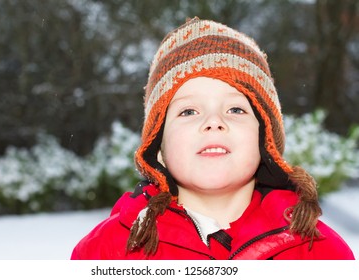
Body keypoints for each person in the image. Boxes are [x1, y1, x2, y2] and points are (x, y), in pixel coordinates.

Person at [71, 17, 355, 260]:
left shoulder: (320, 253)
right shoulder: (106, 253)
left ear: (264, 138)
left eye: (235, 109)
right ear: (158, 147)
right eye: (189, 111)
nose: (214, 122)